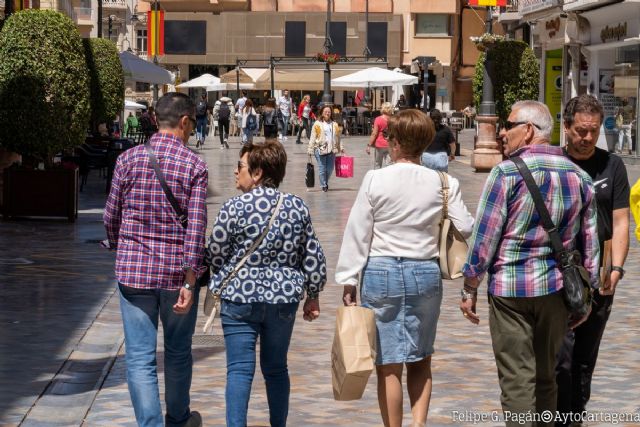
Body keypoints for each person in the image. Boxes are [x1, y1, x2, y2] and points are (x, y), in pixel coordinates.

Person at [460, 100, 600, 427]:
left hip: (510, 291)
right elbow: (590, 244)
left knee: (516, 379)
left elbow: (485, 236)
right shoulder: (579, 177)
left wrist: (470, 285)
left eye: (508, 125)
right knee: (546, 376)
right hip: (555, 290)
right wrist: (587, 294)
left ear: (528, 131)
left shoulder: (506, 173)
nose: (502, 133)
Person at [336, 109, 474, 427]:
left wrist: (348, 281)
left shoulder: (376, 179)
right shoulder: (443, 182)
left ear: (394, 143)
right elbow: (465, 226)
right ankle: (418, 423)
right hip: (424, 271)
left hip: (381, 270)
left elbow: (358, 231)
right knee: (421, 356)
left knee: (388, 364)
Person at [204, 141, 326, 427]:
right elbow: (312, 254)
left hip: (239, 297)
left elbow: (216, 251)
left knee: (239, 370)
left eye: (241, 167)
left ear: (257, 173)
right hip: (283, 299)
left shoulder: (233, 207)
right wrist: (314, 294)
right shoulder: (296, 207)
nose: (236, 172)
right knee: (276, 368)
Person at [104, 92, 208, 427]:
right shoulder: (194, 165)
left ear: (154, 119)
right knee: (178, 353)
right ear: (184, 122)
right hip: (176, 276)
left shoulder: (127, 160)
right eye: (192, 123)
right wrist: (191, 282)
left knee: (139, 358)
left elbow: (110, 215)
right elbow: (196, 230)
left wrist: (123, 247)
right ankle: (178, 418)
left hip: (133, 274)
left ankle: (150, 424)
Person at [555, 94, 630, 426]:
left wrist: (616, 268)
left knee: (585, 357)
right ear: (566, 126)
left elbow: (621, 221)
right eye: (581, 131)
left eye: (593, 131)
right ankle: (555, 415)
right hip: (557, 275)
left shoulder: (612, 165)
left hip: (597, 276)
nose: (586, 138)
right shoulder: (554, 162)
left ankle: (575, 417)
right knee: (560, 357)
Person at [307, 105, 342, 192]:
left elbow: (338, 137)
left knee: (330, 169)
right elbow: (313, 137)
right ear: (322, 113)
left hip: (332, 149)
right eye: (325, 111)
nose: (327, 113)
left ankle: (324, 181)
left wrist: (341, 147)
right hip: (319, 149)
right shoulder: (317, 124)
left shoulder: (335, 124)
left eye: (329, 112)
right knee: (322, 168)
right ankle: (323, 185)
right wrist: (310, 149)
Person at [366, 102, 393, 169]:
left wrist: (369, 145)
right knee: (390, 165)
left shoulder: (378, 119)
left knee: (378, 164)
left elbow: (374, 133)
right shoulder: (393, 119)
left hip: (379, 144)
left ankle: (377, 178)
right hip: (390, 144)